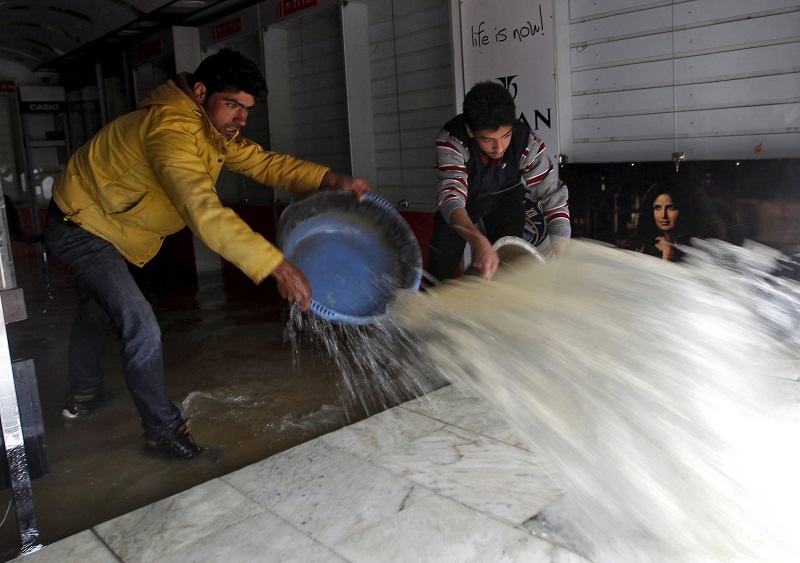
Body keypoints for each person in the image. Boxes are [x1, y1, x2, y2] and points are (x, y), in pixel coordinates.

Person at [44, 49, 370, 459]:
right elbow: (203, 209)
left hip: (110, 225)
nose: (241, 119)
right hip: (82, 225)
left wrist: (328, 178)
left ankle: (84, 393)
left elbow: (265, 164)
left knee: (97, 306)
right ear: (200, 92)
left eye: (246, 109)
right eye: (233, 104)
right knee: (140, 324)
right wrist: (276, 265)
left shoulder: (209, 130)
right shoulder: (170, 130)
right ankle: (161, 431)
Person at [425, 81, 570, 282]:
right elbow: (451, 197)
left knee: (510, 270)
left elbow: (551, 194)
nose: (499, 147)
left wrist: (562, 246)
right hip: (462, 204)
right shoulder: (452, 140)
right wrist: (477, 240)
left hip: (506, 199)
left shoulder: (526, 142)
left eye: (506, 135)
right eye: (487, 139)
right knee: (439, 270)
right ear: (470, 130)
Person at [633, 182, 692, 261]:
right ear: (651, 211)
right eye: (657, 208)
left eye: (670, 208)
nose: (663, 215)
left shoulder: (692, 246)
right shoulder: (642, 249)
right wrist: (666, 254)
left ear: (681, 210)